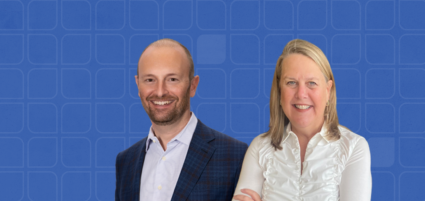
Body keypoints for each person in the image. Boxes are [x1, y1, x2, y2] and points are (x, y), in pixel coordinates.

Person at [232, 39, 372, 201]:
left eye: (311, 83)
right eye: (291, 83)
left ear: (328, 91)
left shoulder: (353, 148)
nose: (301, 94)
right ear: (279, 91)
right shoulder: (259, 147)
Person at [115, 38, 248, 201]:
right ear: (138, 84)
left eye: (172, 79)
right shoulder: (126, 161)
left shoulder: (235, 156)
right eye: (150, 80)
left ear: (193, 85)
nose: (160, 92)